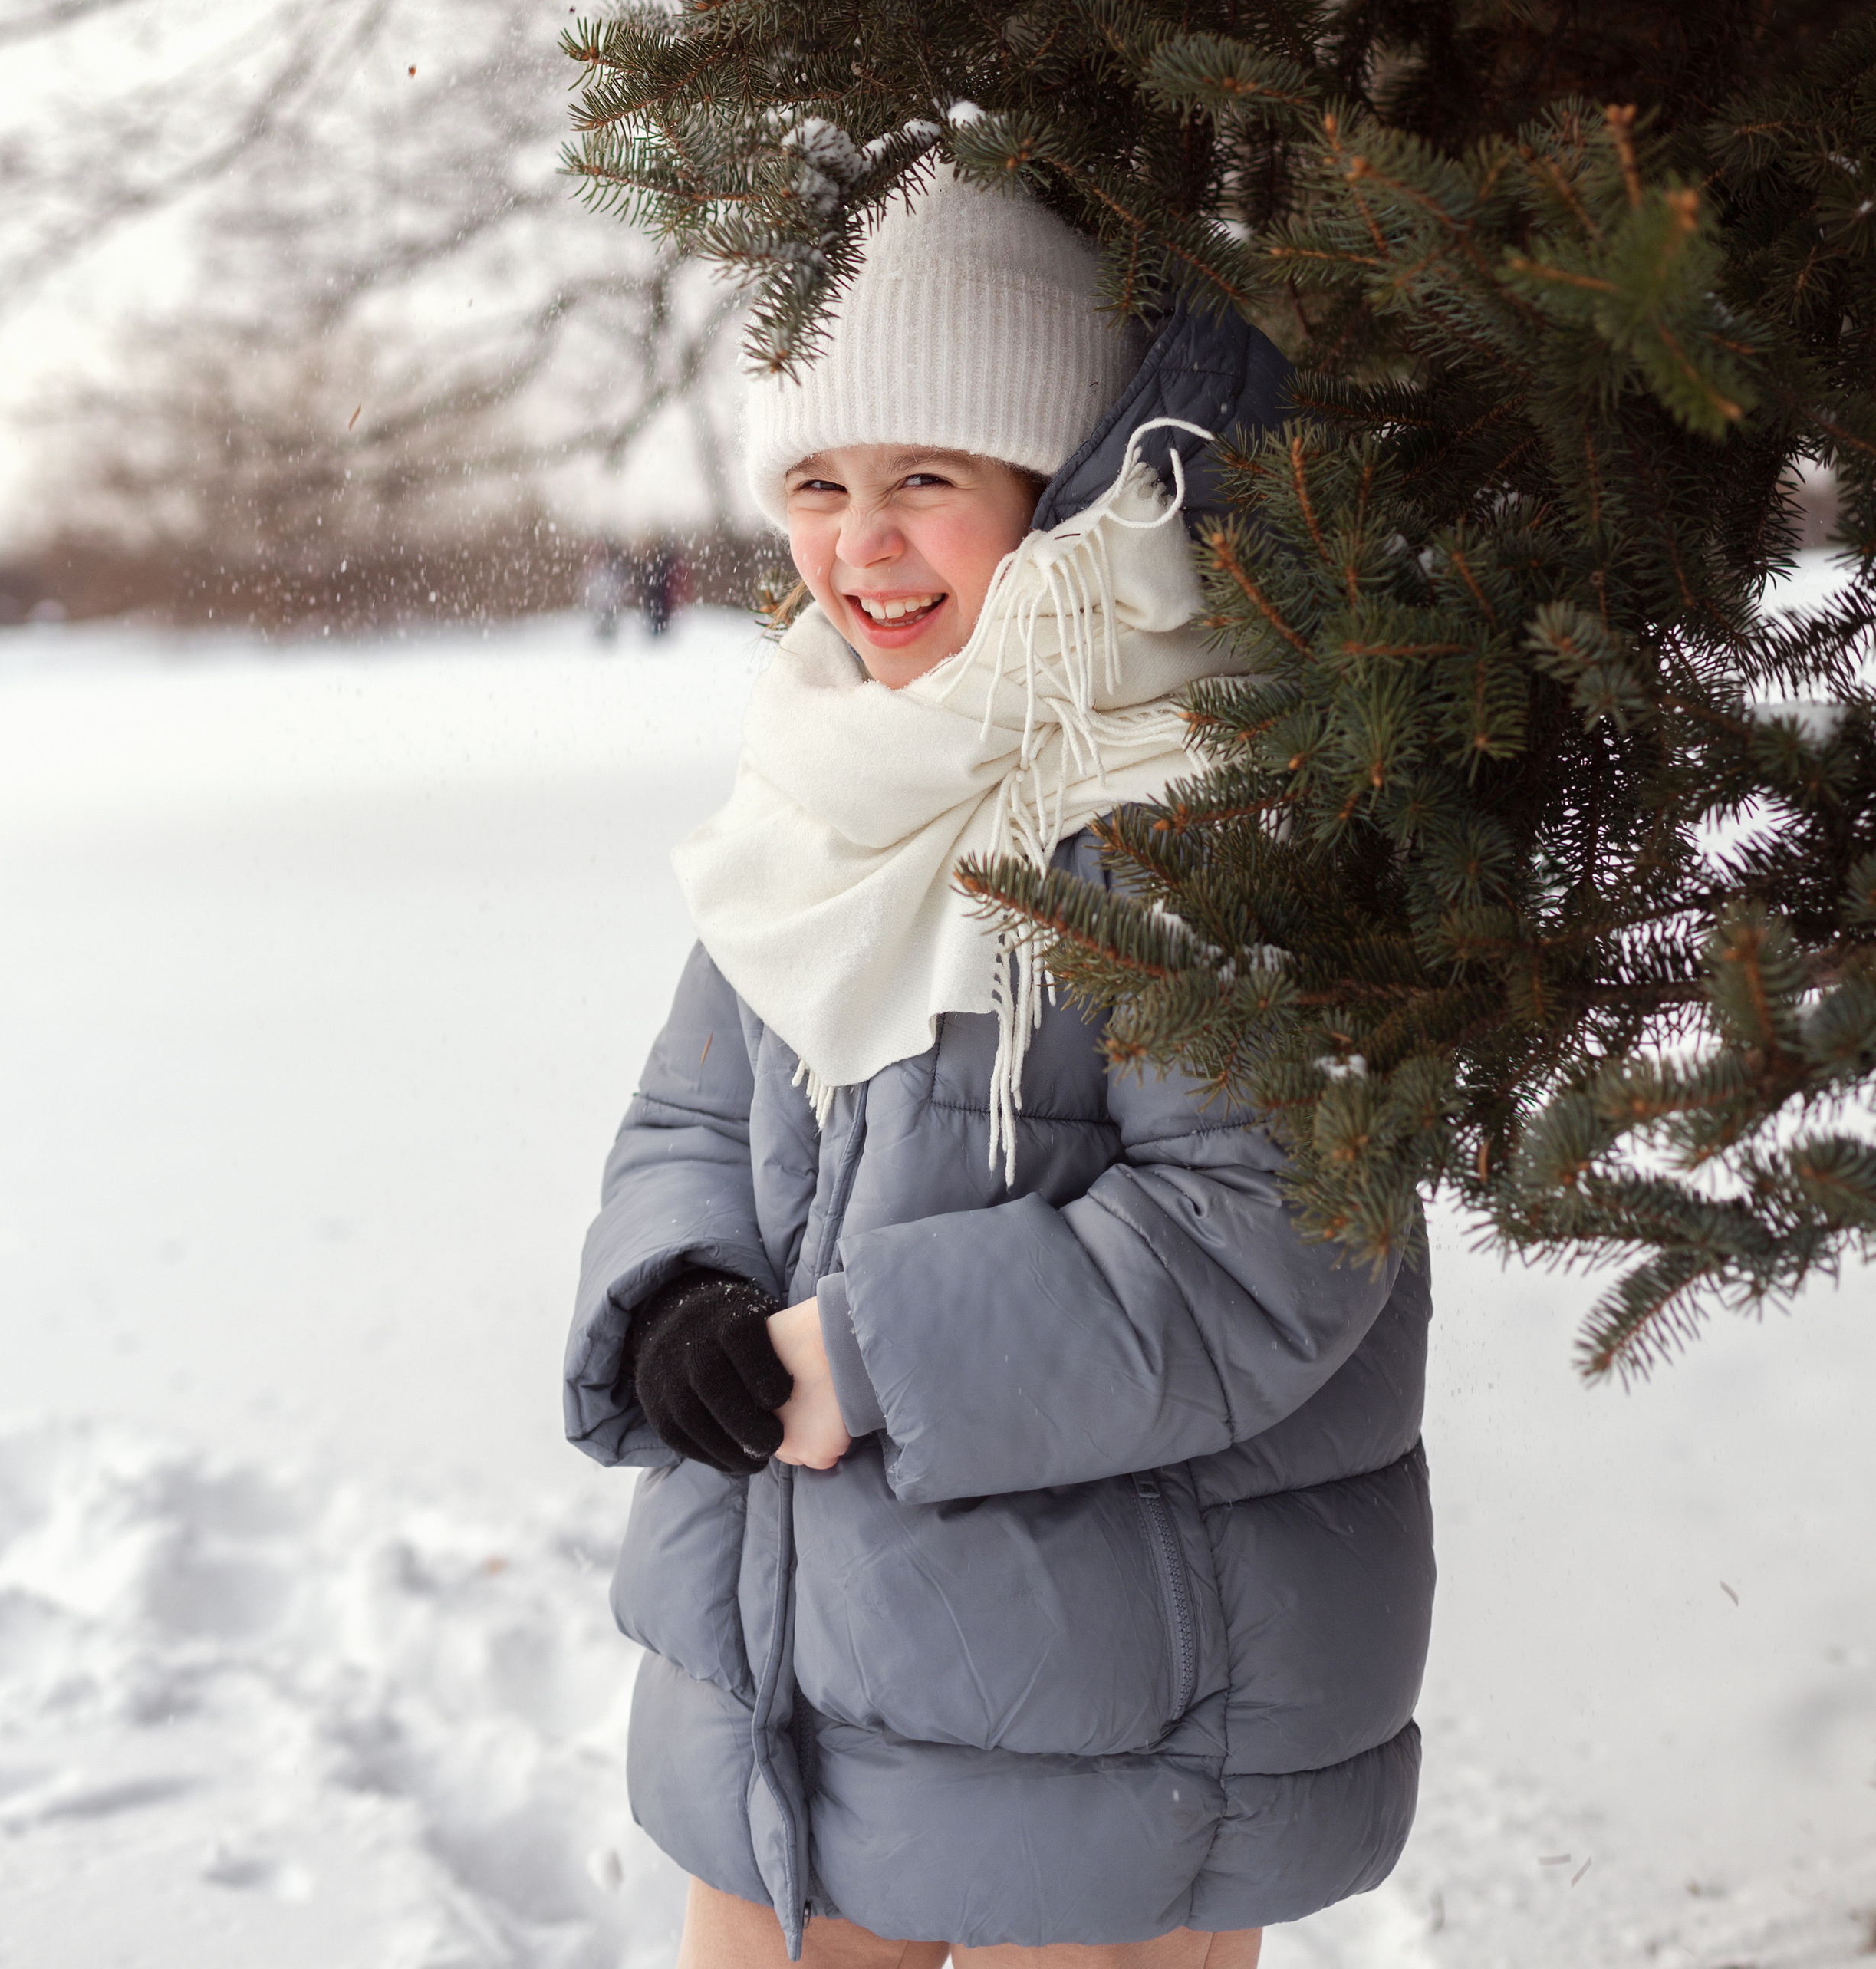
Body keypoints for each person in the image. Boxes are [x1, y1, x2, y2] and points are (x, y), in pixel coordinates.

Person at [564, 169, 1433, 1969]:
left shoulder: (1186, 790)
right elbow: (690, 1109)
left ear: (1054, 488)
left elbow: (1274, 1225)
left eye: (923, 481)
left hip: (1117, 1701)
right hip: (798, 1666)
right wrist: (674, 1304)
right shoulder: (822, 785)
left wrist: (868, 1350)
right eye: (816, 485)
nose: (859, 544)